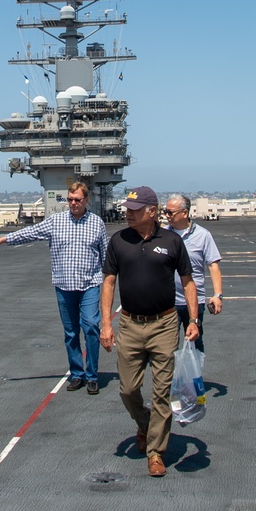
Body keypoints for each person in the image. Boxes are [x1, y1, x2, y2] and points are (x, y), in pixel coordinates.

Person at [100, 186, 200, 477]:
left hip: (165, 324)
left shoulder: (171, 242)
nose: (128, 214)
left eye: (135, 210)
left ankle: (156, 452)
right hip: (130, 324)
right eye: (127, 209)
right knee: (128, 389)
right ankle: (144, 425)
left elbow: (188, 282)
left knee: (161, 392)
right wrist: (106, 323)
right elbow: (108, 282)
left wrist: (193, 319)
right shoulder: (119, 241)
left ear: (152, 211)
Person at [0, 182, 108, 394]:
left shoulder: (97, 223)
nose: (73, 203)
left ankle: (92, 375)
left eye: (77, 199)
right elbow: (29, 232)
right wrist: (2, 239)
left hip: (89, 284)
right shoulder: (55, 222)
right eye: (70, 199)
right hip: (64, 284)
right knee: (70, 333)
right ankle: (77, 373)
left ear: (86, 200)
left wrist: (111, 281)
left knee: (91, 328)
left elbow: (105, 255)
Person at [164, 194, 223, 353]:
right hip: (168, 302)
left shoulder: (203, 235)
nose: (167, 216)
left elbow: (213, 265)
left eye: (171, 212)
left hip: (195, 301)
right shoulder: (162, 235)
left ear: (185, 213)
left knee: (195, 342)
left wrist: (217, 295)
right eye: (165, 212)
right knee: (167, 346)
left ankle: (196, 376)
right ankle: (171, 377)